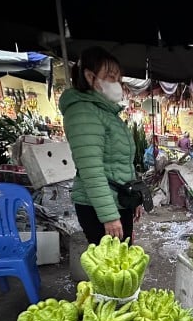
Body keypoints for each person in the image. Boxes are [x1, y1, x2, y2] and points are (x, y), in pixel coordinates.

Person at [59, 46, 142, 245]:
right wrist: (109, 217)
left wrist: (135, 195)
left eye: (119, 79)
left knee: (125, 265)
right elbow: (92, 170)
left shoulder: (106, 113)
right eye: (111, 77)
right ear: (90, 76)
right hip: (100, 208)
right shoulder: (83, 113)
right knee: (111, 271)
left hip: (118, 201)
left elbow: (121, 162)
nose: (117, 84)